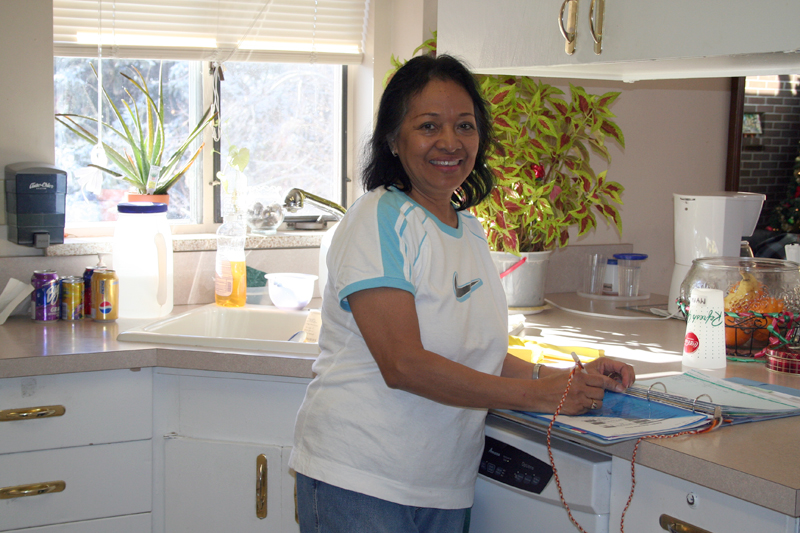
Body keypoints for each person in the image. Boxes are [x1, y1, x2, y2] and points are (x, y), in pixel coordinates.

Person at [289, 54, 635, 533]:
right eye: (428, 126)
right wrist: (538, 395)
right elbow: (403, 364)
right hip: (360, 479)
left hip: (444, 486)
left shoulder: (468, 228)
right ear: (393, 139)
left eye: (465, 126)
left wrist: (569, 378)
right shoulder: (378, 218)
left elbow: (480, 355)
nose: (450, 142)